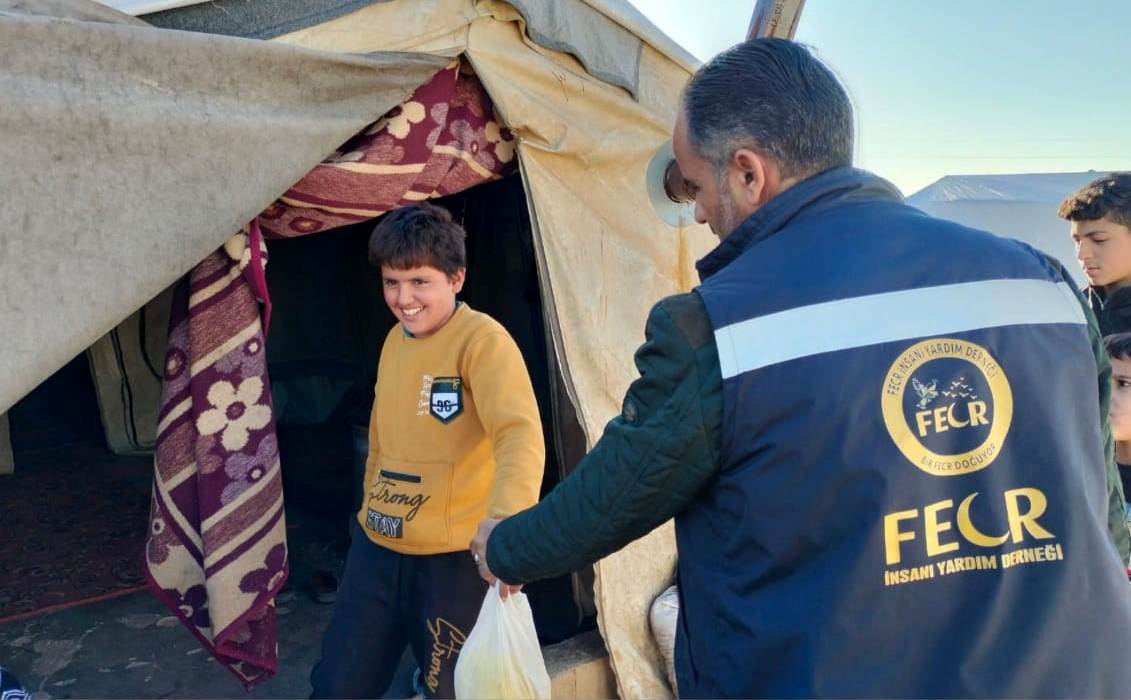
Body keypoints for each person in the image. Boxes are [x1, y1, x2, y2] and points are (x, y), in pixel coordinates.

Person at [471, 39, 1131, 697]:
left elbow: (612, 497)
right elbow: (1104, 511)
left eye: (695, 186)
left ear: (748, 174)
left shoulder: (716, 327)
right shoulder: (1042, 283)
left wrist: (505, 548)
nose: (695, 212)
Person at [310, 202, 545, 699]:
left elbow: (519, 435)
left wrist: (506, 526)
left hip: (453, 560)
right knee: (337, 684)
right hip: (377, 549)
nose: (404, 299)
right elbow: (380, 440)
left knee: (452, 689)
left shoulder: (482, 342)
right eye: (392, 282)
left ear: (457, 278)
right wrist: (365, 514)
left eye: (420, 281)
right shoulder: (394, 342)